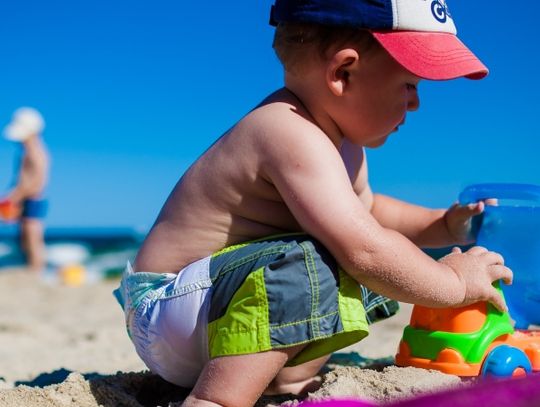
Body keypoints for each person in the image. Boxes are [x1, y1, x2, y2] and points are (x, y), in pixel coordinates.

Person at [114, 1, 513, 406]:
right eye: (410, 85)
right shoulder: (287, 129)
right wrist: (455, 284)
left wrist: (442, 224)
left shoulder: (344, 148)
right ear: (342, 73)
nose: (415, 104)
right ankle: (216, 399)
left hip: (213, 314)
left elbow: (369, 213)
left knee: (349, 251)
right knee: (332, 259)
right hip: (170, 311)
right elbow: (366, 246)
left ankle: (280, 380)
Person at [1, 107, 49, 271]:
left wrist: (14, 196)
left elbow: (36, 181)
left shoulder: (36, 151)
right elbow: (21, 179)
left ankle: (36, 268)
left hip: (33, 198)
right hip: (25, 198)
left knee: (32, 235)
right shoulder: (26, 152)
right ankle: (30, 265)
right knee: (24, 235)